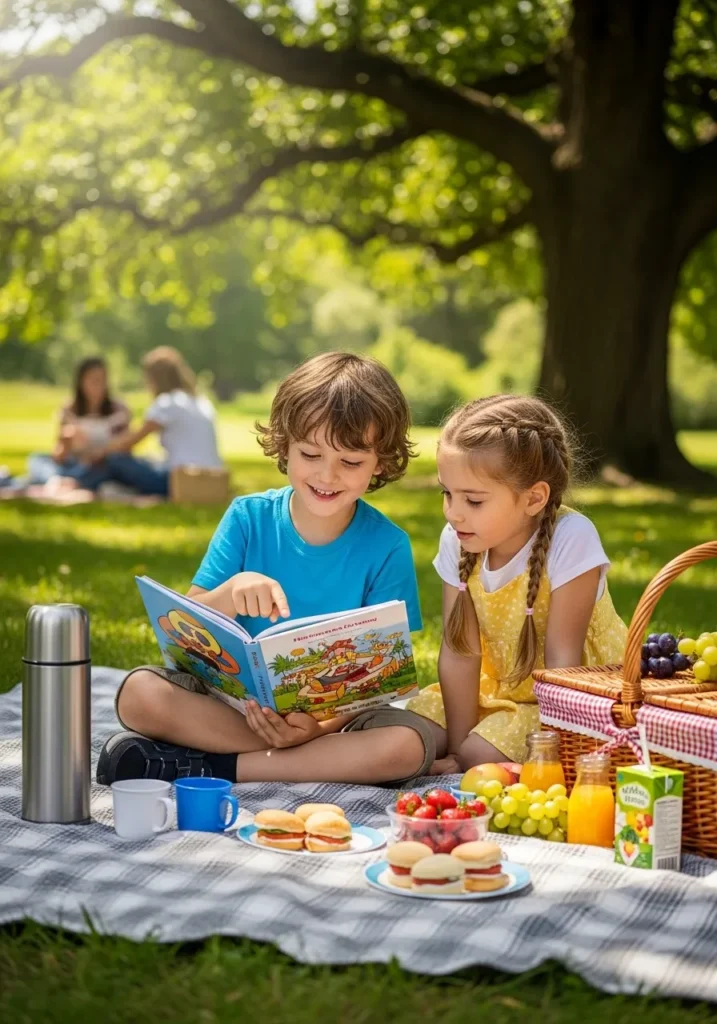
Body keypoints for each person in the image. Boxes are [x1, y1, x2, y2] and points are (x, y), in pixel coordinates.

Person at [96, 351, 434, 787]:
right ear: (285, 444)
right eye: (310, 454)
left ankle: (208, 765)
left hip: (334, 721)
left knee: (406, 745)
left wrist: (316, 728)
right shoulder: (247, 517)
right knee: (140, 695)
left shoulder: (388, 546)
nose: (327, 475)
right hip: (231, 706)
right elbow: (187, 625)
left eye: (351, 462)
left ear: (381, 463)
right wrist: (232, 591)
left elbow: (380, 678)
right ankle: (288, 759)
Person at [406, 394, 628, 774]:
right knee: (409, 735)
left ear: (534, 498)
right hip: (496, 690)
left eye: (473, 500)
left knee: (478, 754)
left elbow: (564, 667)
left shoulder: (570, 537)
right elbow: (460, 653)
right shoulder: (458, 538)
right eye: (448, 494)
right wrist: (456, 748)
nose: (453, 513)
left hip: (568, 701)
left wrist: (465, 757)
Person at [68, 346, 223, 497]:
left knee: (115, 460)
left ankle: (74, 481)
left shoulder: (167, 403)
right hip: (212, 478)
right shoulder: (199, 401)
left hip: (180, 480)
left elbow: (129, 442)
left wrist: (100, 453)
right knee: (144, 462)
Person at [0, 357, 130, 493]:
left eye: (101, 380)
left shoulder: (119, 410)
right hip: (73, 463)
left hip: (102, 465)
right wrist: (66, 440)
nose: (98, 386)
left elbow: (127, 450)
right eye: (93, 380)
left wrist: (102, 453)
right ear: (81, 382)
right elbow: (58, 455)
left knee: (108, 468)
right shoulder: (69, 410)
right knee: (37, 459)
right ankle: (58, 480)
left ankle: (55, 482)